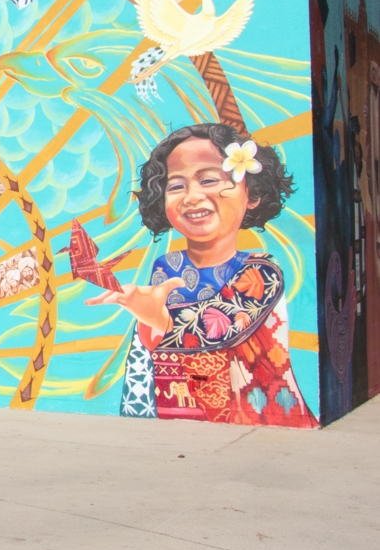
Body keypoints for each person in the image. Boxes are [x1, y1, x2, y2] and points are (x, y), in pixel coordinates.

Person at [88, 123, 315, 426]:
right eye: (176, 186)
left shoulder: (262, 269)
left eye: (208, 180)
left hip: (260, 420)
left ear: (253, 194)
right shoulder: (167, 267)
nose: (191, 197)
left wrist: (159, 320)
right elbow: (144, 364)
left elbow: (221, 328)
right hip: (178, 417)